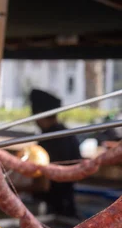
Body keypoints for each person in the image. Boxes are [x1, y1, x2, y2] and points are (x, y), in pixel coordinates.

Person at [28, 89, 82, 219]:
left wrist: (14, 190)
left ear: (39, 114)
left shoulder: (48, 140)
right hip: (69, 206)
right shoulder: (68, 135)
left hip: (51, 211)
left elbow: (43, 185)